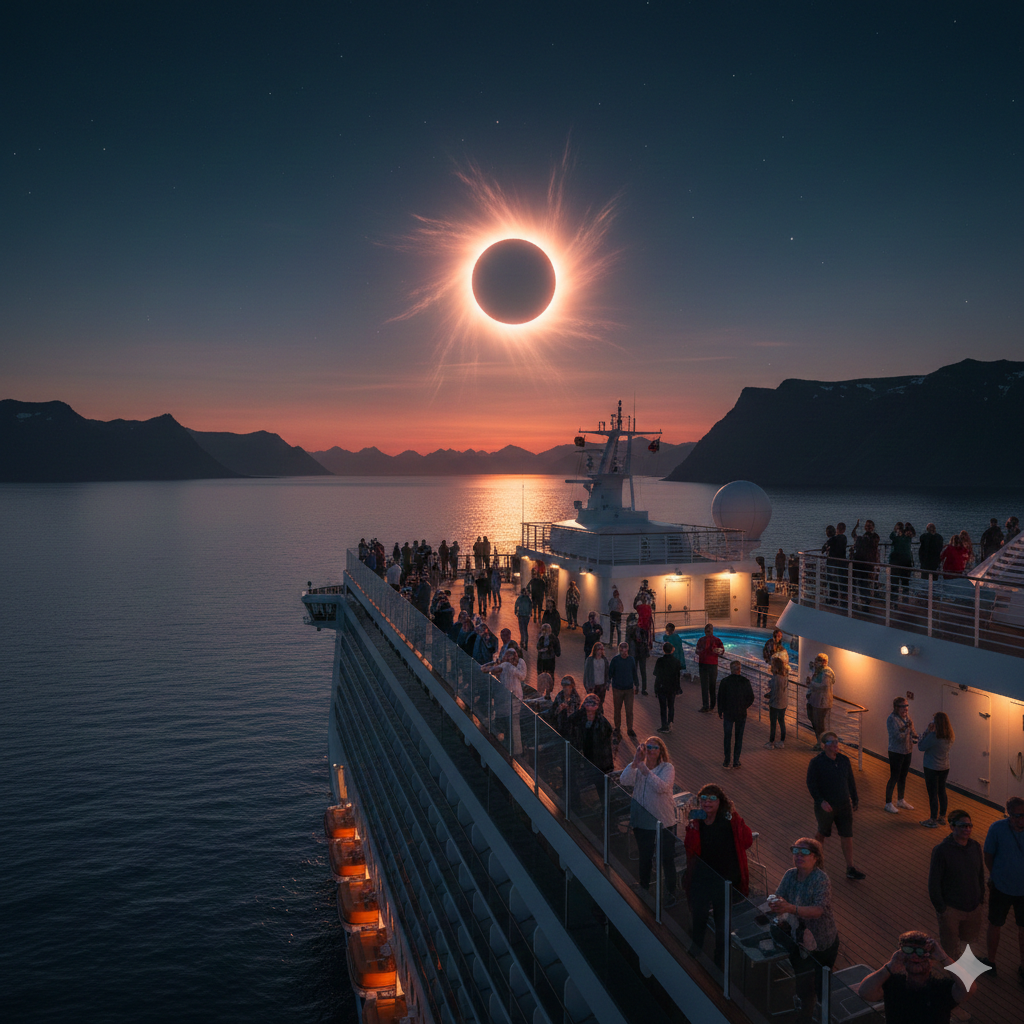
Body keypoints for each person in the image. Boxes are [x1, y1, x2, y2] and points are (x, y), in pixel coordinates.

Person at [769, 838, 840, 1024]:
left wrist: (790, 908)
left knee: (821, 985)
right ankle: (806, 1016)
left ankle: (823, 1016)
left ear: (816, 857)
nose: (799, 855)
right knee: (804, 984)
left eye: (805, 852)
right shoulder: (790, 874)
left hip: (822, 942)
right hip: (798, 939)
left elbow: (818, 910)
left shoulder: (820, 879)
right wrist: (776, 901)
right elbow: (780, 894)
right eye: (795, 851)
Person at [684, 784, 753, 968]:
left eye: (712, 798)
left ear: (720, 802)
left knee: (722, 922)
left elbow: (747, 841)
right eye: (703, 799)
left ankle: (720, 958)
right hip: (702, 876)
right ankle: (696, 946)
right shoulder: (697, 818)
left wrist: (736, 815)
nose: (707, 802)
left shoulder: (728, 819)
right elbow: (689, 847)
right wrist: (691, 827)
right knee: (699, 914)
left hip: (724, 880)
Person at [857, 930, 976, 1021]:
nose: (915, 956)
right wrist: (888, 967)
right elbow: (865, 992)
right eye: (909, 951)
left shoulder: (941, 988)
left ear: (931, 961)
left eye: (920, 953)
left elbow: (969, 988)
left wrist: (944, 957)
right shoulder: (893, 983)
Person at [621, 736, 678, 900]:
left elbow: (662, 787)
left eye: (654, 748)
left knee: (667, 858)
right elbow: (624, 780)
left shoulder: (668, 768)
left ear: (661, 751)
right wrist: (635, 762)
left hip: (663, 821)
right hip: (642, 821)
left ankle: (670, 892)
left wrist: (644, 770)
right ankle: (644, 886)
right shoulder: (639, 767)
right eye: (648, 747)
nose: (651, 751)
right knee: (644, 856)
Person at [806, 732, 866, 879]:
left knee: (847, 834)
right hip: (826, 806)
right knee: (822, 833)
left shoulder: (844, 760)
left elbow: (850, 780)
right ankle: (816, 864)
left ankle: (850, 867)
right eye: (831, 742)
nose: (835, 745)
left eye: (837, 742)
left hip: (844, 804)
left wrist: (855, 798)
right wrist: (821, 801)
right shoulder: (816, 763)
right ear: (824, 746)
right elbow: (811, 784)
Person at [928, 809, 985, 959]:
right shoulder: (942, 851)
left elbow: (979, 874)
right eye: (963, 826)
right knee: (950, 949)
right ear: (952, 827)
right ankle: (952, 978)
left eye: (969, 826)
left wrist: (981, 899)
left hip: (973, 907)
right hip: (951, 908)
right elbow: (934, 882)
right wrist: (942, 909)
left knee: (970, 944)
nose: (967, 829)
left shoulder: (975, 847)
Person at [981, 795, 1024, 977]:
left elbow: (990, 856)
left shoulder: (997, 828)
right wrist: (996, 876)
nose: (1019, 820)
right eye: (1015, 816)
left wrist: (995, 875)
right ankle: (991, 961)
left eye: (1022, 815)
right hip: (1001, 887)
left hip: (1011, 888)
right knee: (995, 924)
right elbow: (988, 855)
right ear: (1008, 814)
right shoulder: (997, 828)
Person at [483, 646, 526, 754]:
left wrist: (492, 664)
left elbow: (485, 669)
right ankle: (516, 750)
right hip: (516, 698)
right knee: (514, 725)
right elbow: (521, 677)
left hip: (509, 699)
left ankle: (510, 748)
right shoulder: (514, 666)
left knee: (508, 724)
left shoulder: (505, 665)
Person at [918, 711, 955, 827]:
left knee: (932, 793)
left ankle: (933, 819)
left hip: (931, 767)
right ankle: (942, 817)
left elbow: (921, 746)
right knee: (941, 791)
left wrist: (928, 731)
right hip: (944, 767)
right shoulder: (950, 736)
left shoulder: (934, 736)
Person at [884, 696, 919, 813]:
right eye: (903, 706)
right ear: (896, 707)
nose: (906, 709)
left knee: (903, 777)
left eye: (907, 706)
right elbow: (897, 737)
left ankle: (900, 800)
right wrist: (906, 729)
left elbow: (912, 730)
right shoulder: (892, 719)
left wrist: (915, 736)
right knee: (894, 777)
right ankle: (888, 803)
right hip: (896, 752)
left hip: (907, 751)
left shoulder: (907, 718)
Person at [717, 660, 754, 769]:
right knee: (739, 737)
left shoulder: (725, 682)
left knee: (727, 737)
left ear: (730, 669)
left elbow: (720, 698)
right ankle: (736, 760)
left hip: (728, 713)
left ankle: (726, 760)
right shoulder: (745, 682)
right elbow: (751, 698)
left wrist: (720, 711)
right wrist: (744, 706)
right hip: (741, 713)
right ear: (739, 669)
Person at [568, 692, 614, 773]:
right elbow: (568, 731)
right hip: (578, 756)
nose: (590, 712)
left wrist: (607, 768)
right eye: (588, 706)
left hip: (596, 760)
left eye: (593, 706)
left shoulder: (603, 724)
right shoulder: (576, 718)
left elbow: (607, 748)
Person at [608, 640, 638, 739]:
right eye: (622, 651)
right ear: (619, 650)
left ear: (627, 650)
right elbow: (610, 673)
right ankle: (617, 727)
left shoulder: (631, 660)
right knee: (617, 709)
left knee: (629, 710)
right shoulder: (615, 660)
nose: (624, 653)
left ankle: (630, 728)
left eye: (625, 651)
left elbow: (634, 673)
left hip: (629, 689)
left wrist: (636, 685)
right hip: (617, 688)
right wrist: (608, 683)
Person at [805, 653, 834, 749]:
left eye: (818, 660)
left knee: (819, 723)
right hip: (814, 699)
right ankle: (819, 741)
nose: (816, 662)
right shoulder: (817, 671)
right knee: (813, 719)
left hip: (822, 702)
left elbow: (824, 685)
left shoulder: (827, 673)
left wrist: (811, 683)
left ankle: (822, 744)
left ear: (824, 662)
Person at [850, 518, 880, 612]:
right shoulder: (865, 537)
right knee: (860, 583)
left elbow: (872, 546)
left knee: (864, 584)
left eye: (869, 526)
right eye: (867, 526)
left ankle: (864, 603)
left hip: (866, 564)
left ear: (873, 527)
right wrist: (856, 526)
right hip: (861, 563)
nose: (868, 527)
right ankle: (859, 602)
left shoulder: (873, 537)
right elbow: (853, 535)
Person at [695, 622, 725, 713]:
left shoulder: (703, 640)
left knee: (706, 685)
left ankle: (707, 705)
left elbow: (697, 651)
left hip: (705, 664)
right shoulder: (716, 640)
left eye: (709, 630)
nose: (708, 632)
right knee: (711, 685)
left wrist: (703, 651)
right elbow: (722, 651)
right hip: (711, 664)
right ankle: (711, 705)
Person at [653, 641, 681, 733]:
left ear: (663, 650)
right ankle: (670, 722)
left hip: (662, 686)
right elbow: (677, 676)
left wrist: (656, 688)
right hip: (672, 687)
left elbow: (656, 675)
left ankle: (664, 725)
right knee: (671, 705)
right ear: (672, 650)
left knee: (663, 707)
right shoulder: (676, 662)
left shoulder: (660, 661)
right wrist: (678, 688)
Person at [765, 655, 789, 749]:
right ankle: (782, 741)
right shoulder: (785, 677)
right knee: (781, 721)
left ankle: (771, 742)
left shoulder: (776, 678)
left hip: (775, 703)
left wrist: (770, 698)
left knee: (773, 723)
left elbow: (775, 691)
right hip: (783, 703)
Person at [888, 522, 914, 606]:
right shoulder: (904, 538)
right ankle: (901, 601)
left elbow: (891, 536)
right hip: (902, 562)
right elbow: (891, 536)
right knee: (902, 583)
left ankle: (897, 602)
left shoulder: (904, 538)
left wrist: (907, 526)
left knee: (900, 583)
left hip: (900, 562)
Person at [625, 611, 650, 696]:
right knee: (639, 671)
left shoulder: (636, 630)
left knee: (638, 671)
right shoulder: (633, 630)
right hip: (637, 652)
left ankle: (640, 688)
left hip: (637, 652)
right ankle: (640, 688)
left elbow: (644, 641)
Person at [582, 641, 610, 710]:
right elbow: (586, 674)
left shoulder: (604, 660)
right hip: (593, 686)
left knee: (600, 703)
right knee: (593, 704)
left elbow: (607, 673)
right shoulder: (590, 660)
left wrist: (607, 684)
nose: (599, 652)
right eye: (598, 650)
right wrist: (587, 686)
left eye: (601, 650)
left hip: (602, 686)